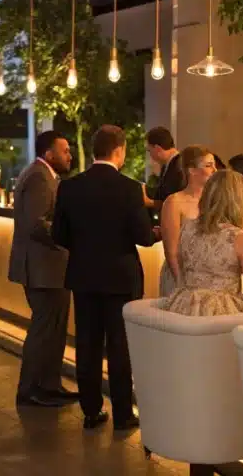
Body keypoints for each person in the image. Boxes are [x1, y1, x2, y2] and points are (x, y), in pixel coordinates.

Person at [52, 125, 155, 431]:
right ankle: (124, 414)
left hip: (83, 275)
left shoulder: (70, 187)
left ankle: (91, 411)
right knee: (120, 347)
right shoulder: (130, 188)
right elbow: (143, 236)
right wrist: (156, 233)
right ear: (119, 150)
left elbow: (59, 235)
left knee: (88, 344)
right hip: (121, 278)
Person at [9, 131, 76, 408]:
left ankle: (49, 385)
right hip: (42, 267)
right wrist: (71, 237)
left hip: (48, 267)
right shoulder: (39, 176)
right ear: (49, 153)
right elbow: (37, 223)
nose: (69, 155)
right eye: (65, 150)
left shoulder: (40, 173)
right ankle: (31, 389)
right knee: (44, 329)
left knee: (53, 329)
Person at [158, 170, 243, 316]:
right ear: (239, 200)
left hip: (184, 308)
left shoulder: (187, 228)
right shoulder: (240, 238)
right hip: (220, 316)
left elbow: (181, 268)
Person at [158, 145, 216, 297]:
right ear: (192, 170)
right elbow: (171, 251)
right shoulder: (174, 202)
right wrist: (180, 283)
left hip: (208, 277)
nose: (215, 171)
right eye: (209, 166)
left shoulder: (214, 201)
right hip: (181, 275)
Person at [144, 127, 184, 213]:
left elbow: (173, 199)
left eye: (149, 150)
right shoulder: (167, 165)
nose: (150, 155)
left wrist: (148, 201)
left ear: (157, 148)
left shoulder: (179, 166)